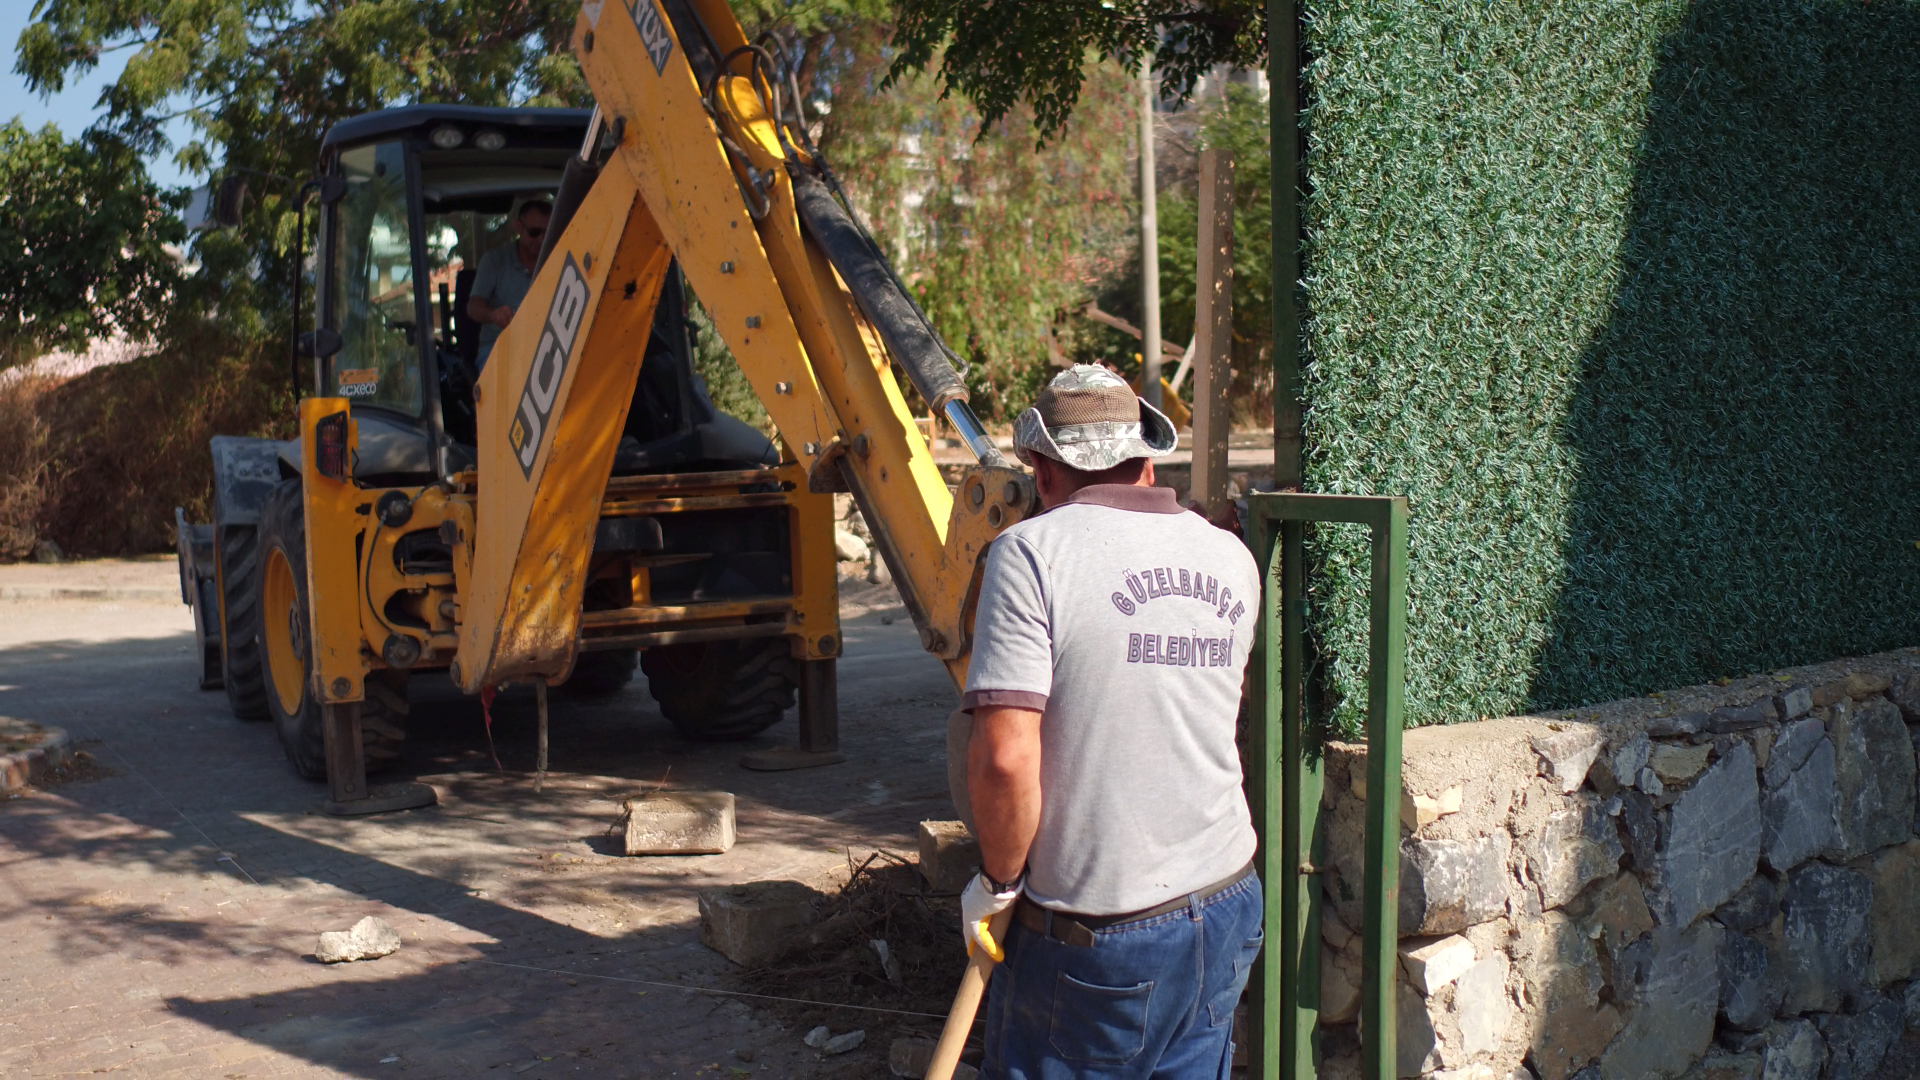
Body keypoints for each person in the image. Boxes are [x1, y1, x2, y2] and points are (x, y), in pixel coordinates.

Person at [958, 363, 1263, 1078]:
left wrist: (997, 882)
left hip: (1101, 933)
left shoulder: (1031, 554)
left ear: (1040, 468)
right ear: (1147, 456)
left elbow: (1005, 758)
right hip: (1225, 899)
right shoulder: (1231, 557)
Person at [466, 199, 552, 370]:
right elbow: (473, 307)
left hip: (546, 348)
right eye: (534, 232)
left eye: (547, 233)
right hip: (498, 348)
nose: (541, 240)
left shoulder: (558, 261)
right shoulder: (495, 261)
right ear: (519, 227)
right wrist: (493, 315)